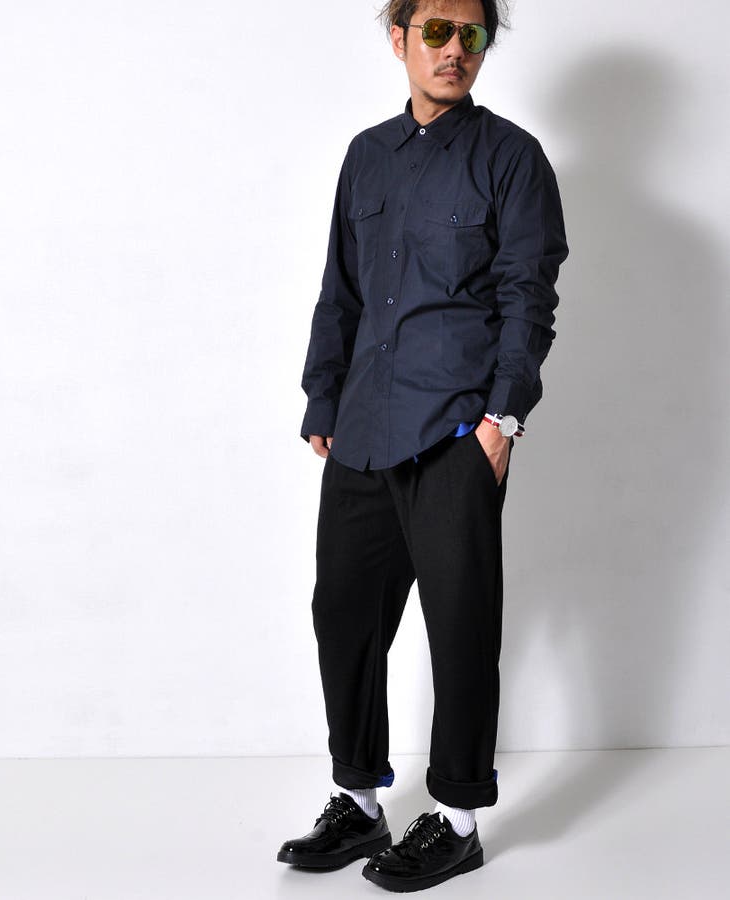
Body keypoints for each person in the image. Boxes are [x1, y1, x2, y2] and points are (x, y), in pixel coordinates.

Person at [276, 0, 568, 892]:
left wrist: (501, 421)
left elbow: (529, 297)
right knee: (344, 618)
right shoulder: (366, 156)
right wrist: (323, 395)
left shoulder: (512, 158)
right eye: (436, 31)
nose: (454, 50)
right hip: (362, 430)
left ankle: (459, 819)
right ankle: (359, 801)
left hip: (454, 432)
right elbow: (341, 290)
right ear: (399, 38)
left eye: (471, 35)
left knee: (461, 628)